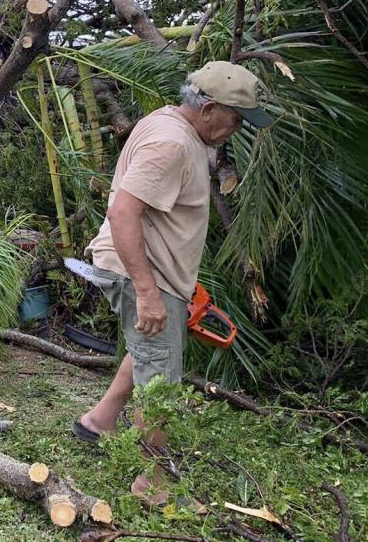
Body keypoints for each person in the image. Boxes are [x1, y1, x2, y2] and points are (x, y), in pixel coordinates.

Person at [71, 61, 272, 504]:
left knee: (150, 350)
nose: (237, 128)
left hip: (159, 273)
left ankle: (99, 421)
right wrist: (148, 292)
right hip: (144, 272)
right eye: (236, 118)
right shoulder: (171, 143)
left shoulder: (172, 122)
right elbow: (123, 212)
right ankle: (152, 483)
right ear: (209, 109)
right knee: (160, 378)